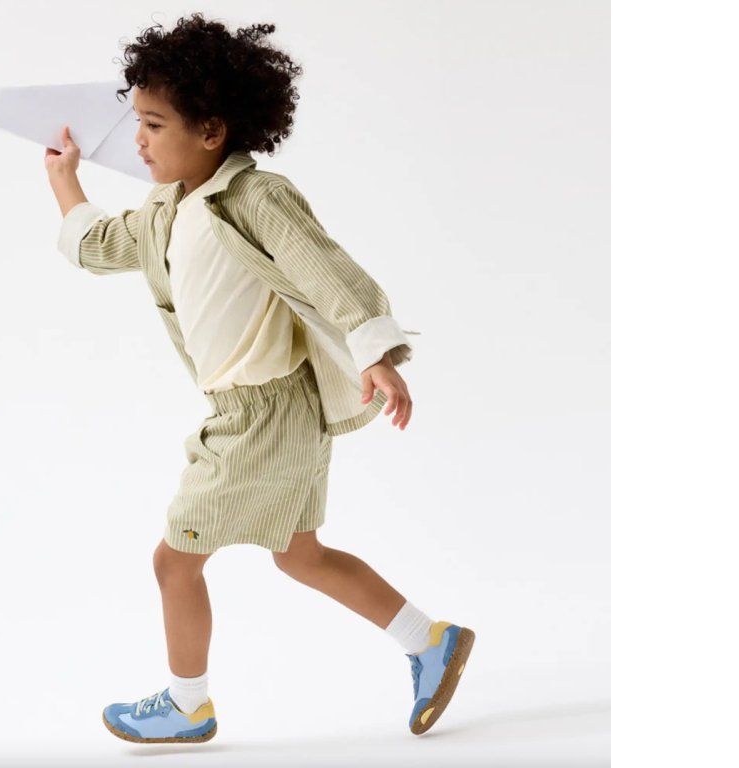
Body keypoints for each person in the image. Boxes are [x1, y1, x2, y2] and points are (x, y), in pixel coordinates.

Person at [45, 13, 474, 743]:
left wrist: (374, 352)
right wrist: (65, 180)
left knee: (174, 561)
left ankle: (188, 705)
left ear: (212, 130)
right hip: (265, 411)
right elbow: (100, 247)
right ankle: (430, 641)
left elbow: (327, 270)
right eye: (136, 121)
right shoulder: (164, 209)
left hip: (262, 414)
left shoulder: (255, 199)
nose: (138, 140)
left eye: (153, 124)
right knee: (301, 555)